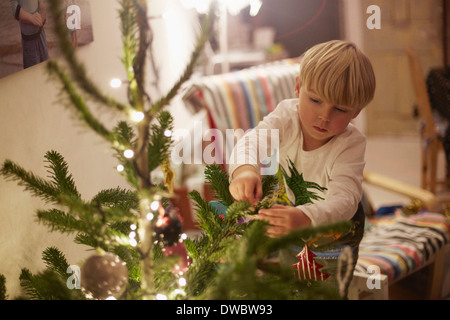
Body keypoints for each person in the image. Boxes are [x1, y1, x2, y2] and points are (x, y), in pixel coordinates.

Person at [228, 40, 376, 297]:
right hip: (294, 217)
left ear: (356, 112)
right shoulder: (287, 116)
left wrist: (306, 218)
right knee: (293, 275)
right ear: (298, 87)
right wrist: (244, 170)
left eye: (339, 109)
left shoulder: (350, 145)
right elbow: (252, 141)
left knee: (325, 288)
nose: (324, 116)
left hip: (336, 235)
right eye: (316, 100)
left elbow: (345, 200)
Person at [9, 0, 49, 69]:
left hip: (40, 31)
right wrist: (31, 18)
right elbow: (15, 9)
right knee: (32, 70)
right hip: (29, 38)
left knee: (46, 66)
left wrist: (42, 5)